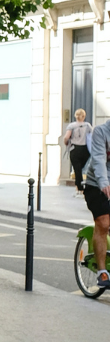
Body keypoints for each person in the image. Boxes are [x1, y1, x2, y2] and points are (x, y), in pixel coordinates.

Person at [83, 117, 110, 289]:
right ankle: (102, 272)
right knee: (104, 222)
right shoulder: (100, 131)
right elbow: (99, 159)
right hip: (96, 185)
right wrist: (104, 183)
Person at [63, 108, 94, 195]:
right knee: (80, 169)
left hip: (75, 149)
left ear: (75, 116)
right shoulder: (88, 125)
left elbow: (66, 137)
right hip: (85, 150)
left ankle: (80, 189)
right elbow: (92, 136)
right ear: (84, 116)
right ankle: (80, 187)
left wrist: (66, 142)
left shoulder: (71, 126)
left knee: (77, 169)